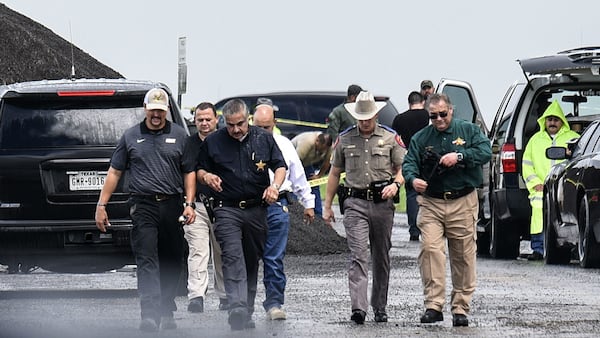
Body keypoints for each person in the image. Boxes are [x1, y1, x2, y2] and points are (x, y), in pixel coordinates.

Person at [94, 88, 196, 332]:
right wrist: (101, 205)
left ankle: (167, 306)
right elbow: (115, 172)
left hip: (172, 204)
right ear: (145, 109)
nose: (156, 115)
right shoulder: (130, 136)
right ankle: (149, 314)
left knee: (171, 258)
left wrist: (190, 203)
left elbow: (189, 171)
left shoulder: (180, 136)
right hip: (143, 205)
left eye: (161, 111)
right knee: (147, 259)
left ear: (167, 111)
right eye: (153, 111)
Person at [402, 93, 491, 327]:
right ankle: (433, 305)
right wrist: (412, 180)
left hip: (462, 200)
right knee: (430, 250)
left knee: (462, 255)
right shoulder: (422, 137)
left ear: (451, 110)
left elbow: (485, 152)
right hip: (431, 202)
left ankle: (461, 307)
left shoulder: (469, 130)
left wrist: (460, 155)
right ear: (428, 115)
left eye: (443, 114)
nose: (439, 119)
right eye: (434, 116)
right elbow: (409, 162)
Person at [196, 99, 287, 331]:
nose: (235, 130)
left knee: (250, 261)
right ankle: (236, 305)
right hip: (227, 208)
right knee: (232, 255)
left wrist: (274, 187)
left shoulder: (264, 138)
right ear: (223, 122)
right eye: (230, 125)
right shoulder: (214, 141)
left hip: (257, 209)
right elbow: (200, 169)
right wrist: (207, 177)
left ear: (247, 119)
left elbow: (280, 166)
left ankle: (245, 310)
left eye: (239, 124)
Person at [323, 91, 406, 325]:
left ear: (376, 114)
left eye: (368, 116)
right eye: (361, 117)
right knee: (359, 255)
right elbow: (334, 173)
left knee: (381, 256)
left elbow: (403, 168)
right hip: (354, 203)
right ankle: (358, 308)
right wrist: (327, 206)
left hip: (382, 204)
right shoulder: (345, 139)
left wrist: (396, 184)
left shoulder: (390, 138)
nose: (365, 121)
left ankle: (379, 306)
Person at [253, 102, 316, 320]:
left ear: (274, 124)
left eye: (266, 128)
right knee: (246, 258)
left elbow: (297, 174)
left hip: (277, 206)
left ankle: (274, 303)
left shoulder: (284, 145)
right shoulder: (242, 144)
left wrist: (308, 203)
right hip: (249, 208)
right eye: (258, 127)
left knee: (274, 258)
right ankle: (242, 305)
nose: (262, 132)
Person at [183, 102, 227, 313]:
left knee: (222, 252)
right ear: (194, 121)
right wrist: (188, 204)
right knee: (198, 251)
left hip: (222, 206)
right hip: (197, 205)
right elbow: (187, 172)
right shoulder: (188, 143)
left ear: (216, 119)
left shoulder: (226, 140)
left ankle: (225, 295)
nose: (204, 123)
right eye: (200, 119)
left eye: (208, 119)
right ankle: (196, 296)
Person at [522, 100, 579, 261]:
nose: (552, 122)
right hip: (540, 190)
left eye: (556, 119)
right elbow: (527, 166)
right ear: (544, 121)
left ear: (562, 121)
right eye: (549, 119)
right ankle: (538, 248)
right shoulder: (535, 140)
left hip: (564, 189)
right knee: (539, 209)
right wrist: (535, 184)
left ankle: (572, 248)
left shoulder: (573, 139)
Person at [391, 91, 429, 241]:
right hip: (427, 159)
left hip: (408, 158)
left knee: (411, 194)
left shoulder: (399, 119)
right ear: (423, 102)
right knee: (429, 193)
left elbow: (395, 141)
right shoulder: (428, 116)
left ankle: (414, 230)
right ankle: (429, 227)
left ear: (409, 103)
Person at [291, 131, 333, 215]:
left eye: (325, 149)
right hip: (293, 164)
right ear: (317, 141)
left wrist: (318, 176)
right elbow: (294, 163)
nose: (322, 151)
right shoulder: (307, 142)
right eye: (321, 148)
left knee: (314, 185)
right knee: (292, 186)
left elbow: (327, 162)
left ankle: (318, 214)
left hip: (307, 164)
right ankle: (293, 211)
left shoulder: (328, 147)